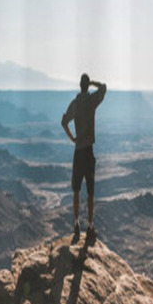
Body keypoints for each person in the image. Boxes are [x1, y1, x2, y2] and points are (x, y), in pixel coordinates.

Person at [61, 73, 106, 241]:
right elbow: (104, 88)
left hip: (78, 151)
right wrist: (93, 81)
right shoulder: (91, 101)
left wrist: (72, 137)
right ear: (87, 85)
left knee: (76, 189)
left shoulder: (76, 103)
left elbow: (64, 122)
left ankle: (76, 223)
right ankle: (91, 225)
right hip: (89, 152)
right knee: (90, 192)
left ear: (79, 85)